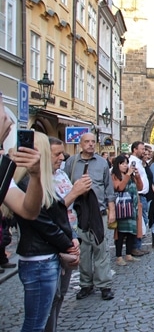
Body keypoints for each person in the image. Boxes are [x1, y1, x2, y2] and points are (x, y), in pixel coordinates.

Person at [11, 132, 78, 331]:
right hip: (39, 258)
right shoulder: (27, 184)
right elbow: (43, 222)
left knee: (45, 313)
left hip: (46, 256)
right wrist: (68, 245)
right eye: (55, 154)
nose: (62, 158)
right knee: (35, 323)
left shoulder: (43, 181)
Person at [45, 137, 91, 332]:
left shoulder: (62, 174)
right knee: (50, 297)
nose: (62, 157)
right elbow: (48, 212)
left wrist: (73, 237)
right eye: (57, 154)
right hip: (51, 244)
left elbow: (68, 210)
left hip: (69, 236)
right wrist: (74, 192)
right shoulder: (39, 180)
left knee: (61, 294)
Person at [63, 132, 116, 301]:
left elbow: (109, 189)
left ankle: (104, 285)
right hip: (78, 213)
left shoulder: (102, 163)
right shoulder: (71, 163)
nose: (91, 144)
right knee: (84, 251)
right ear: (81, 144)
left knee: (101, 249)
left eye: (93, 142)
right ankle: (86, 284)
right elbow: (65, 186)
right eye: (87, 142)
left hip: (98, 212)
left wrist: (112, 210)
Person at [111, 155, 143, 266]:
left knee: (131, 232)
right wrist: (128, 175)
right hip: (122, 208)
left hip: (133, 207)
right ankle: (119, 256)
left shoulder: (131, 176)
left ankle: (128, 254)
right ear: (117, 165)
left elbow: (140, 187)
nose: (125, 166)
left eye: (126, 163)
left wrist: (137, 176)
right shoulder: (115, 176)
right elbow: (120, 187)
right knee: (120, 233)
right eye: (122, 163)